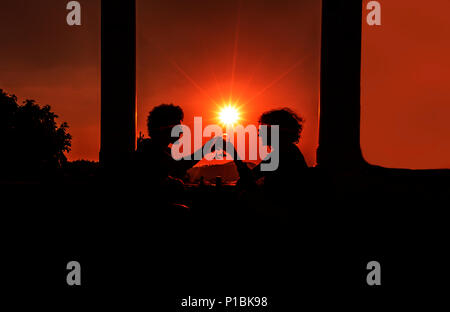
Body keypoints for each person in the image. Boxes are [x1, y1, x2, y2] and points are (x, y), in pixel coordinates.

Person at [226, 108, 308, 216]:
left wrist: (233, 154)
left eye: (262, 131)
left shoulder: (282, 154)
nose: (259, 135)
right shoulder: (288, 151)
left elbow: (247, 179)